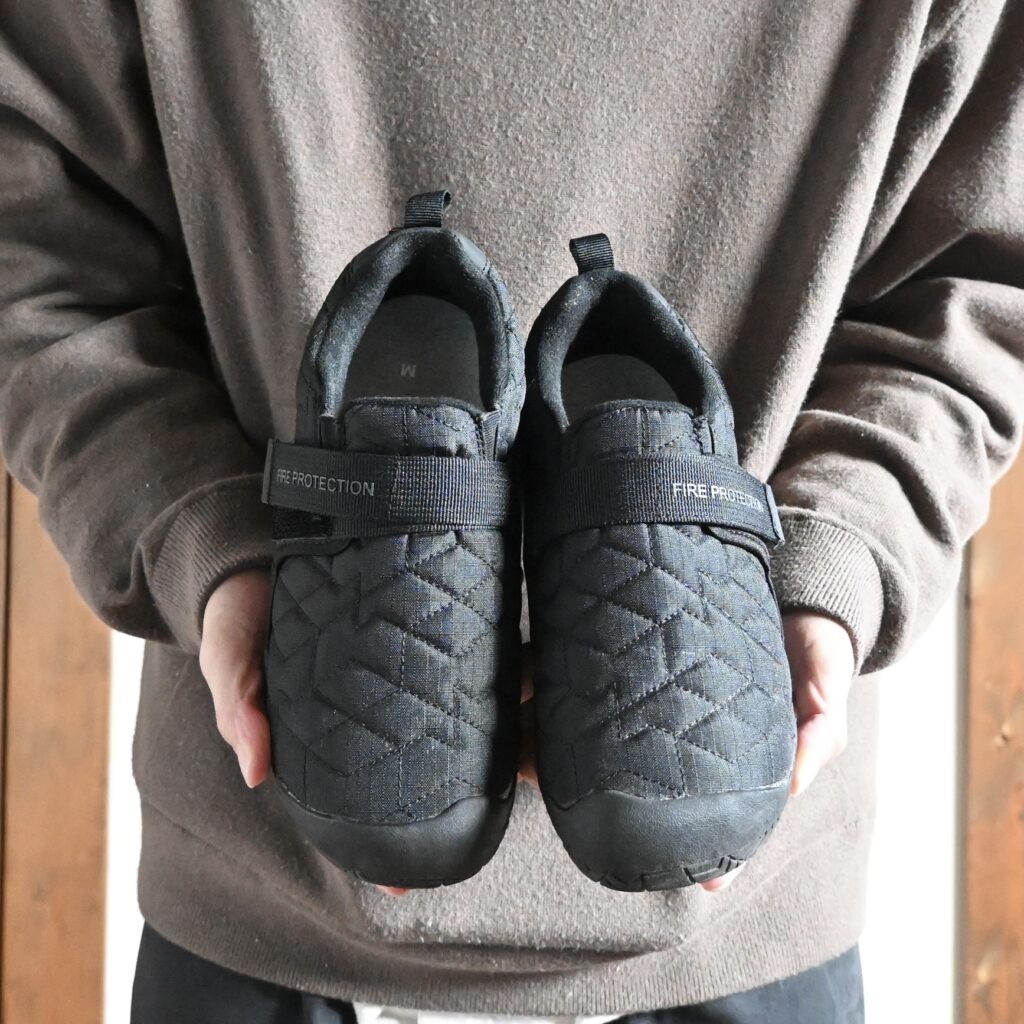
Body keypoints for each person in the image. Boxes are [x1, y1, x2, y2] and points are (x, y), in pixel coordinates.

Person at [0, 2, 1021, 1022]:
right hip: (261, 912)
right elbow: (39, 253)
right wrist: (198, 535)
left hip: (743, 935)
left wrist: (838, 558)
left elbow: (975, 283)